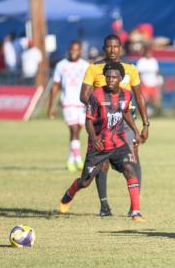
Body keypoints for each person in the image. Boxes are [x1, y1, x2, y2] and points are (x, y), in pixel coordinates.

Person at [59, 62, 144, 222]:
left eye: (114, 77)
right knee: (85, 182)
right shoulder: (96, 95)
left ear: (121, 79)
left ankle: (135, 212)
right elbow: (89, 121)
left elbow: (125, 112)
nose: (110, 80)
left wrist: (136, 130)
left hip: (118, 143)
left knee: (130, 170)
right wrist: (94, 138)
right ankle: (69, 194)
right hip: (99, 146)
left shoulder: (126, 95)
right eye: (108, 77)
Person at [80, 34, 149, 217]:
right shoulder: (94, 68)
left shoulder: (130, 69)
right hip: (101, 123)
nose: (113, 50)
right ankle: (104, 206)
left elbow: (139, 97)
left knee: (133, 159)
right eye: (109, 47)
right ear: (104, 48)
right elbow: (84, 95)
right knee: (102, 164)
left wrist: (145, 123)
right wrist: (102, 107)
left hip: (125, 121)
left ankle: (134, 208)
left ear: (121, 48)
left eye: (116, 46)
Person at [48, 40, 90, 171]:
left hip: (82, 103)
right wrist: (51, 105)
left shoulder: (85, 65)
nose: (73, 52)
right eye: (72, 50)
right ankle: (78, 160)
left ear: (80, 51)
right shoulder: (61, 65)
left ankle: (70, 161)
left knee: (78, 130)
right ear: (68, 50)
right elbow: (55, 85)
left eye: (76, 50)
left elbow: (90, 84)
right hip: (68, 102)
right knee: (74, 129)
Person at [136, 45, 163, 115]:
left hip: (153, 84)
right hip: (145, 84)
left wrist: (158, 80)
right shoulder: (141, 61)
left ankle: (157, 113)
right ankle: (144, 113)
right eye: (147, 52)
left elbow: (157, 72)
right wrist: (141, 83)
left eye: (150, 52)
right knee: (145, 100)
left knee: (157, 100)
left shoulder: (154, 61)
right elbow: (139, 74)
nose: (149, 54)